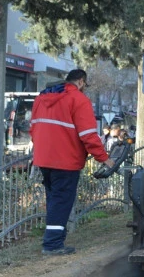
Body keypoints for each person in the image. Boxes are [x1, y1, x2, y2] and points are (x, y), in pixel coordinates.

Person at [30, 69, 114, 256]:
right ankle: (52, 244)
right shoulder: (79, 100)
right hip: (66, 160)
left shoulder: (42, 98)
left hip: (44, 158)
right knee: (62, 200)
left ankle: (54, 238)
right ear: (81, 82)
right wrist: (105, 159)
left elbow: (33, 129)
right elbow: (88, 136)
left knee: (54, 199)